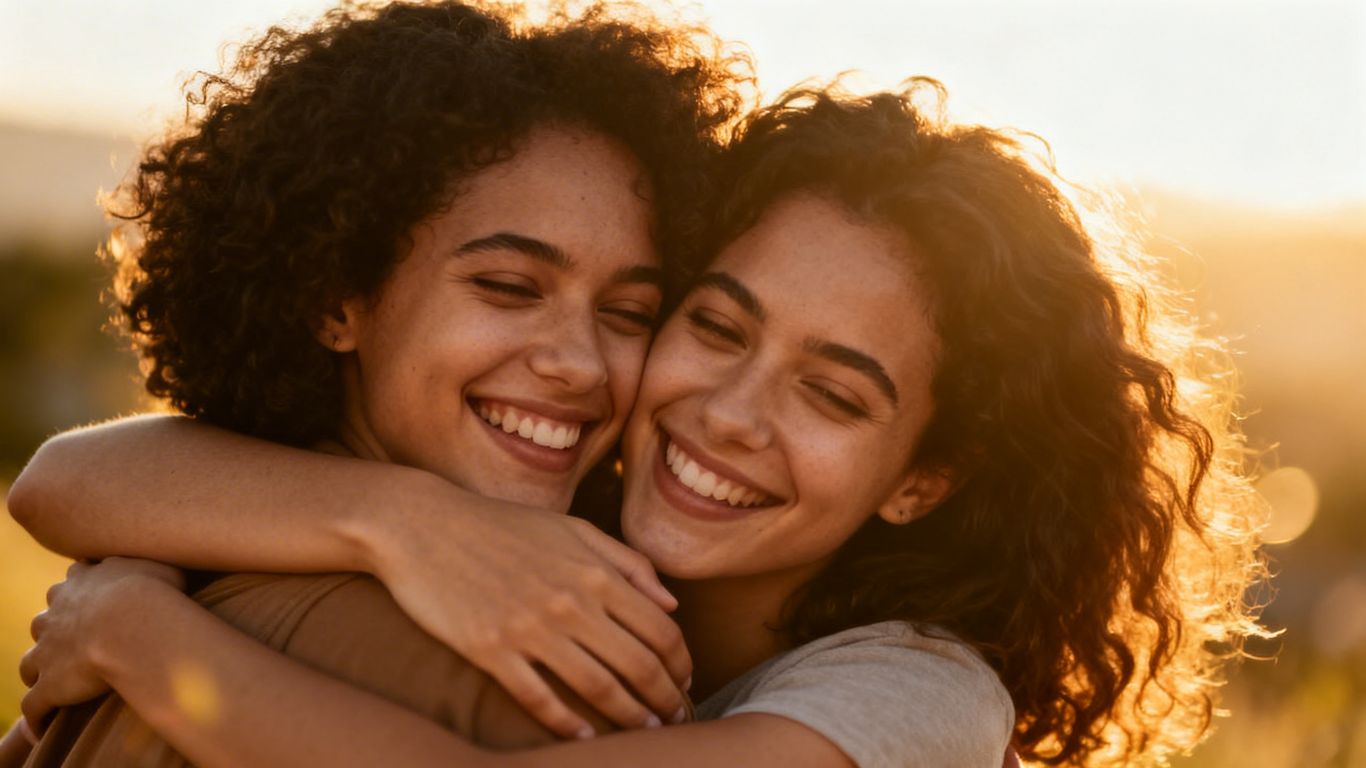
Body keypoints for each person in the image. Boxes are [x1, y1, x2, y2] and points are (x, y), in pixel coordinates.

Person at [11, 80, 1267, 767]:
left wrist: (135, 634)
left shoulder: (912, 694)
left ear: (922, 479)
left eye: (832, 395)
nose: (728, 414)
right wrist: (400, 520)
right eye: (713, 326)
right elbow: (64, 482)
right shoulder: (555, 514)